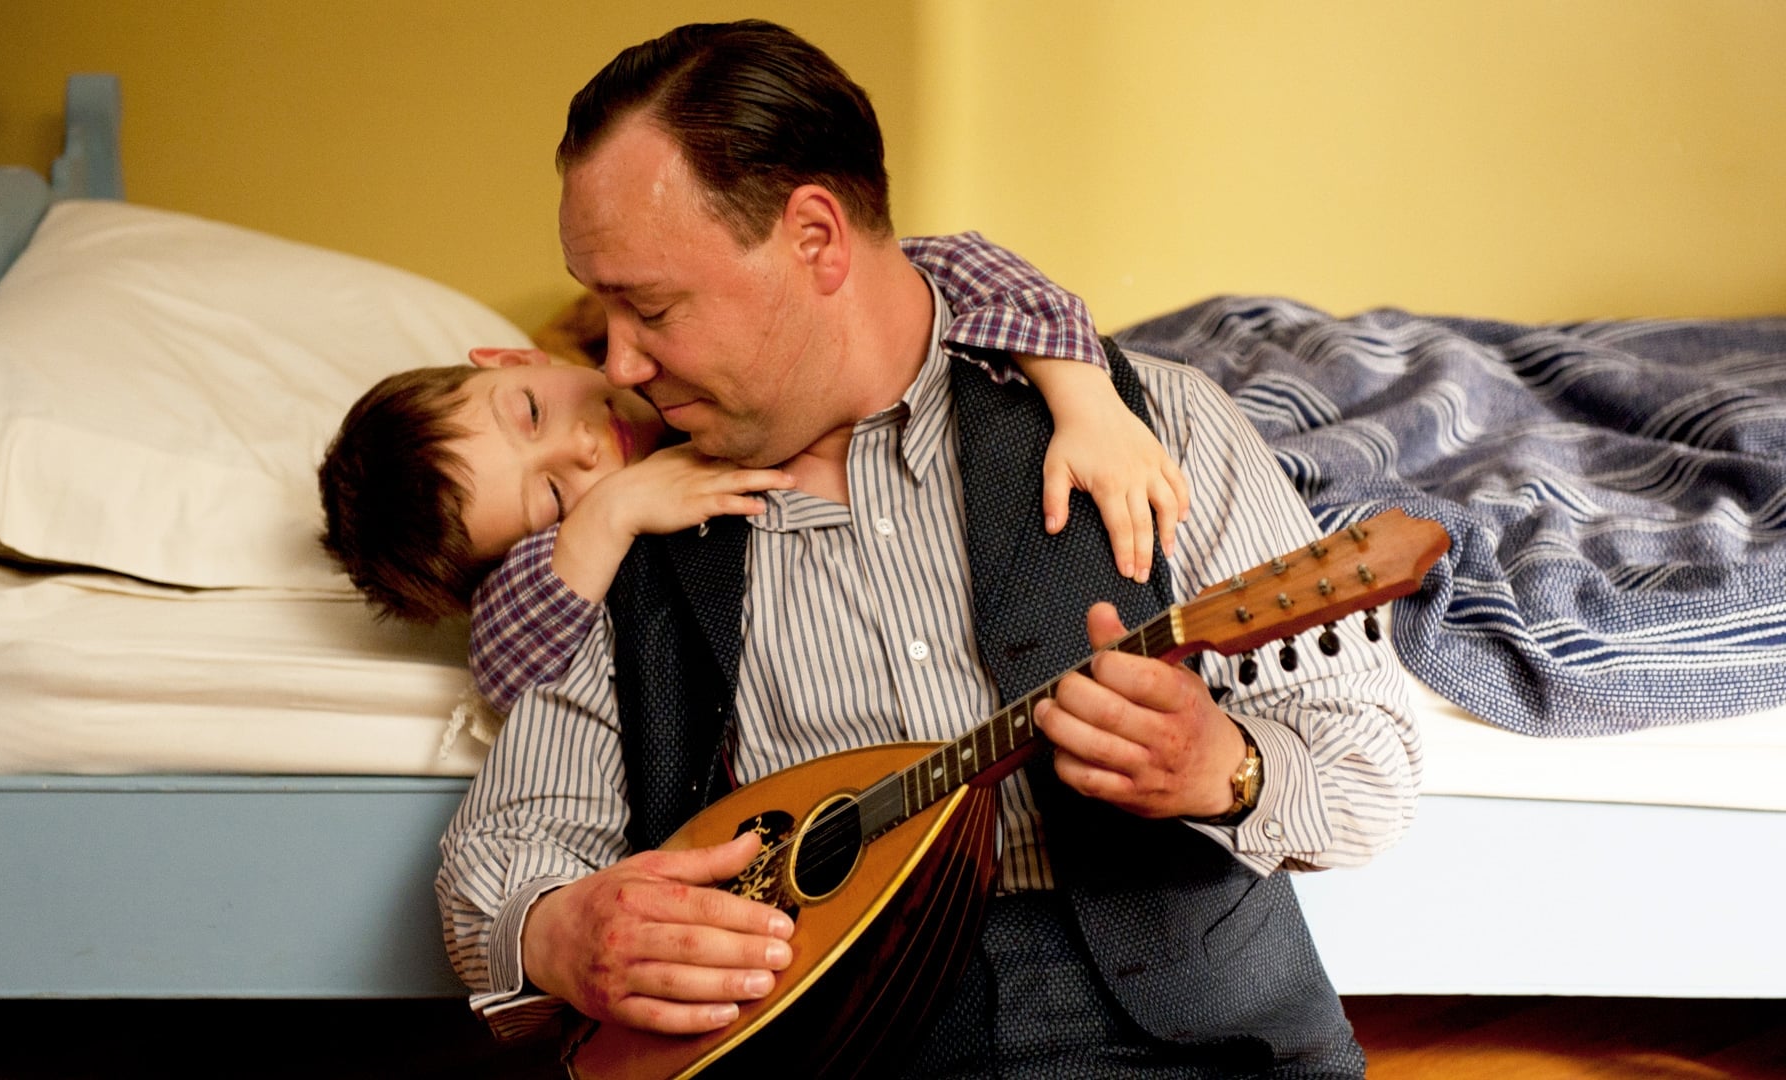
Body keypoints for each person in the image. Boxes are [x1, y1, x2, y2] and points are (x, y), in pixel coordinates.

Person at [436, 19, 1418, 1078]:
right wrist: (560, 933)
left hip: (1212, 1049)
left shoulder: (1149, 426)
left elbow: (1374, 769)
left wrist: (1227, 768)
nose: (620, 364)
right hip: (832, 1044)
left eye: (652, 307)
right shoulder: (625, 528)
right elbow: (500, 850)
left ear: (816, 238)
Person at [318, 233, 1190, 633]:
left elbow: (938, 266)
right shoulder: (598, 552)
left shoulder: (651, 335)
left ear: (513, 359)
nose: (582, 449)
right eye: (552, 496)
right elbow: (506, 658)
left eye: (532, 414)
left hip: (1070, 355)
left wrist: (1087, 399)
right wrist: (609, 513)